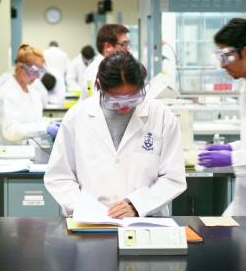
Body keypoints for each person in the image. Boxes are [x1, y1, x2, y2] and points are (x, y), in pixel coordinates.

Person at [45, 51, 186, 218]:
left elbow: (173, 178)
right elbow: (59, 176)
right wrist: (84, 207)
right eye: (116, 100)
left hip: (146, 219)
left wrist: (137, 205)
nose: (125, 106)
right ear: (100, 85)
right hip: (90, 220)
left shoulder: (162, 116)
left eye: (133, 98)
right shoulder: (77, 116)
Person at [197, 18, 246, 216]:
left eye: (227, 56)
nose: (223, 65)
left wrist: (232, 156)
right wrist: (232, 147)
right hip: (245, 198)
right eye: (219, 56)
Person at [0, 44, 61, 146]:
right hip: (12, 155)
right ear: (20, 67)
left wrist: (49, 123)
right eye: (34, 71)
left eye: (40, 71)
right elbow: (10, 131)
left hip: (30, 153)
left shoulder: (32, 91)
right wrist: (44, 128)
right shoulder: (6, 93)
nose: (37, 76)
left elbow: (33, 120)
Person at [81, 24, 131, 100]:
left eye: (128, 43)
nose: (128, 48)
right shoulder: (95, 71)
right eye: (123, 44)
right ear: (108, 47)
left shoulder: (113, 67)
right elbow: (96, 104)